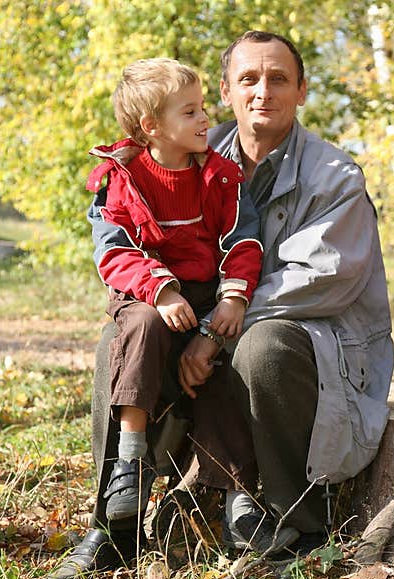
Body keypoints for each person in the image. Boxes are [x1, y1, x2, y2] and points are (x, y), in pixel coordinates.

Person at [48, 31, 394, 579]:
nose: (263, 92)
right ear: (228, 92)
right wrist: (169, 302)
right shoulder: (189, 155)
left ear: (302, 90)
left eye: (279, 78)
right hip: (206, 312)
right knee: (124, 338)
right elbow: (127, 239)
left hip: (313, 347)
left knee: (262, 344)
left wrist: (212, 330)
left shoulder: (336, 177)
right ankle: (116, 522)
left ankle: (293, 520)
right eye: (247, 80)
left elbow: (322, 280)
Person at [84, 57, 263, 527]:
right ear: (151, 126)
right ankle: (131, 459)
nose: (206, 119)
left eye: (203, 107)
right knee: (140, 327)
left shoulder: (221, 176)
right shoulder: (119, 179)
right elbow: (113, 252)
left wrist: (233, 297)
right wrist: (160, 291)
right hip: (146, 292)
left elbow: (243, 240)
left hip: (207, 293)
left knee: (226, 354)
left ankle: (236, 488)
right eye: (190, 111)